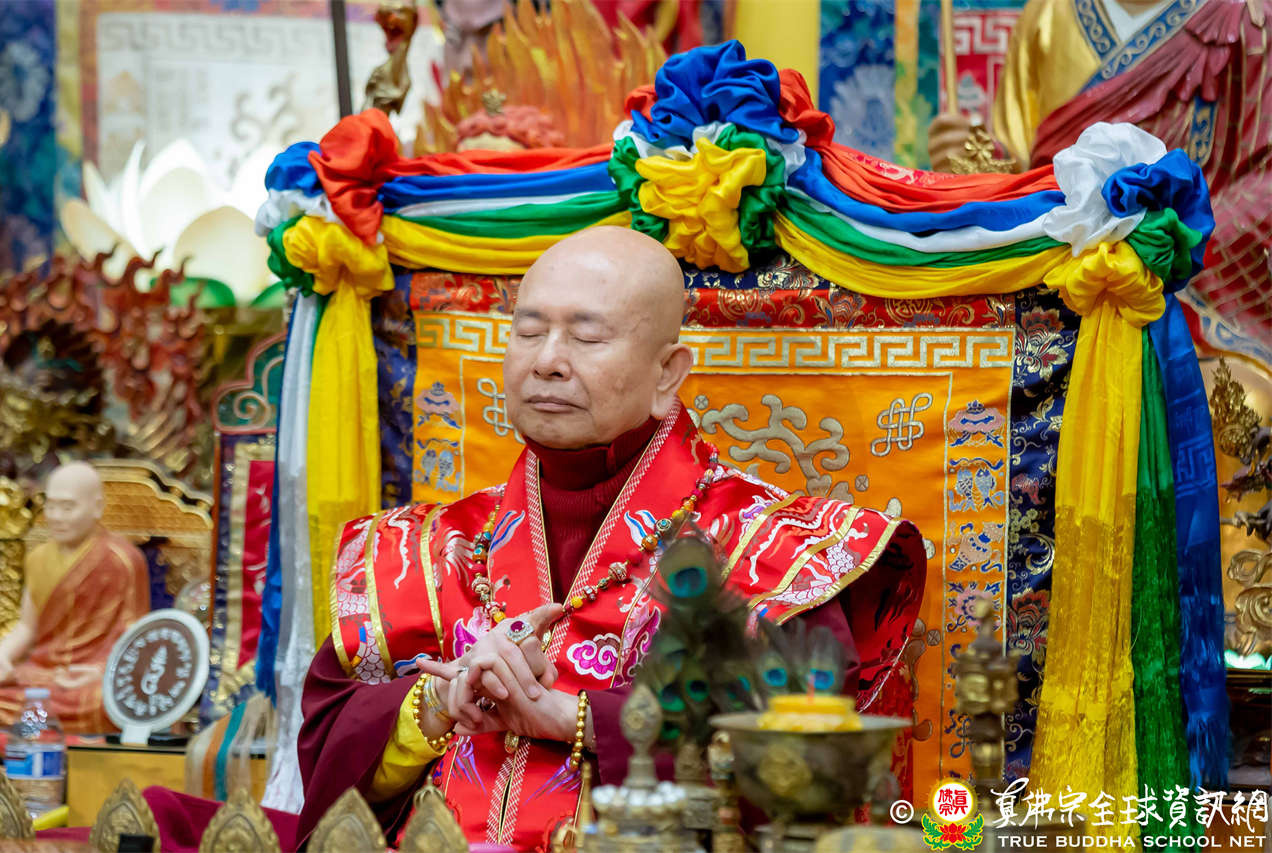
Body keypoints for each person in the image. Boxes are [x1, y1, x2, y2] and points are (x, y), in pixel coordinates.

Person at [297, 226, 927, 849]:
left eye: (587, 336)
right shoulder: (421, 550)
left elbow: (805, 761)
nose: (547, 360)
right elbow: (329, 762)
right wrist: (437, 703)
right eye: (529, 331)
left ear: (667, 373)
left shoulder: (774, 549)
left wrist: (579, 720)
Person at [927, 0, 1270, 341]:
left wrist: (1170, 248)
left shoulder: (1245, 17)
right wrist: (971, 159)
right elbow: (1017, 172)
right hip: (1059, 284)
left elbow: (1263, 183)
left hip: (1180, 290)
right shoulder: (1048, 12)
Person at [0, 461, 149, 731]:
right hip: (40, 675)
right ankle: (37, 727)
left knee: (106, 703)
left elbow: (136, 637)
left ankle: (34, 728)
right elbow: (26, 627)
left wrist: (102, 672)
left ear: (97, 507)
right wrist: (1, 657)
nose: (56, 517)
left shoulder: (123, 559)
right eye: (51, 506)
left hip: (90, 681)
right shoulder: (38, 558)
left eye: (67, 507)